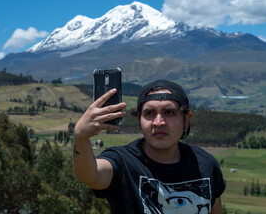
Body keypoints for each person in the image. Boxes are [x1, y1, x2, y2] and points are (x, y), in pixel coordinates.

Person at [74, 79, 226, 214]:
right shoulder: (123, 162)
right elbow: (90, 175)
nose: (158, 122)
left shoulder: (206, 165)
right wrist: (81, 137)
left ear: (186, 120)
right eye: (150, 113)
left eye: (169, 112)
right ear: (139, 119)